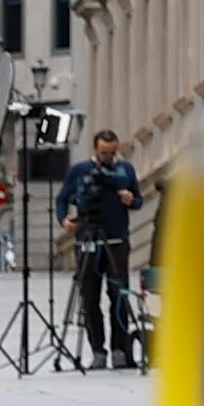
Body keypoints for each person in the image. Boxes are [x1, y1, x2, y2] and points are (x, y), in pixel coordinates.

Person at [61, 131, 142, 371]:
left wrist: (130, 200)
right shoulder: (80, 171)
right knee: (89, 297)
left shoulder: (125, 170)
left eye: (112, 153)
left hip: (117, 239)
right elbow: (62, 198)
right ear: (95, 149)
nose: (107, 157)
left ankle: (120, 350)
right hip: (88, 238)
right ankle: (98, 350)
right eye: (103, 152)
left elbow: (138, 200)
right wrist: (64, 220)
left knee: (119, 295)